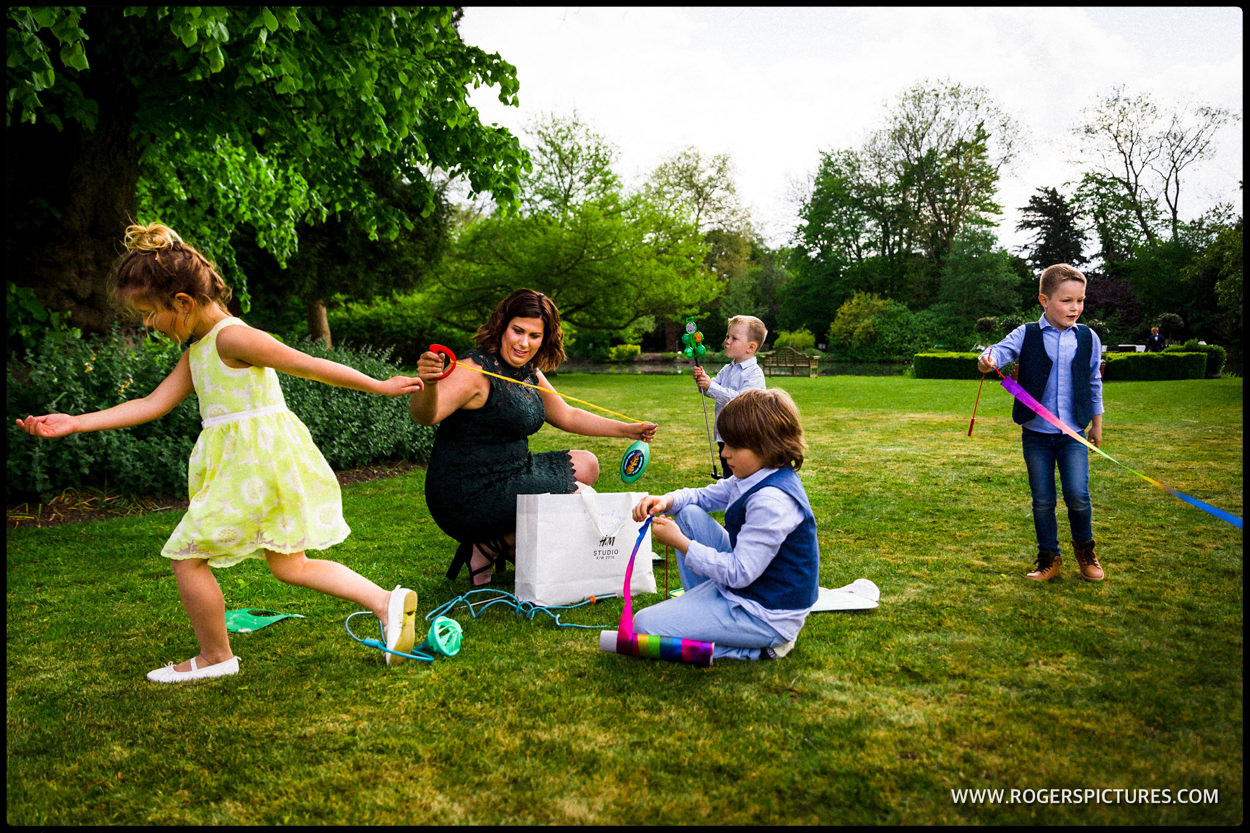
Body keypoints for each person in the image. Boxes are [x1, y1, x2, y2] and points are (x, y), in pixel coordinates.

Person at [15, 223, 424, 682]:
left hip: (256, 461)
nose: (149, 325)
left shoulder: (233, 338)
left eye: (151, 314)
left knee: (187, 557)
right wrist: (76, 422)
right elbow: (151, 404)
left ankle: (215, 657)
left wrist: (378, 384)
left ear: (183, 303)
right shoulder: (199, 352)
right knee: (290, 565)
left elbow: (308, 364)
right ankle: (383, 601)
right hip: (251, 464)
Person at [411, 289, 657, 586]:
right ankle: (492, 542)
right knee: (578, 496)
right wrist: (429, 383)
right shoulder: (474, 371)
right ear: (502, 325)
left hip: (510, 469)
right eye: (517, 331)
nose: (524, 343)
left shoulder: (528, 372)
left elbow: (566, 415)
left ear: (545, 338)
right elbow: (426, 416)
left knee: (588, 465)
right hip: (467, 490)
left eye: (534, 335)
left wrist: (628, 429)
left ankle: (495, 542)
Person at [630, 388, 818, 661]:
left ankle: (759, 649)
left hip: (766, 614)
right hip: (749, 588)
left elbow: (740, 573)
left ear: (765, 446)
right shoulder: (756, 473)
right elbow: (704, 496)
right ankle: (704, 612)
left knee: (643, 626)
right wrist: (667, 500)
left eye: (732, 445)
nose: (724, 453)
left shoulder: (771, 501)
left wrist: (679, 542)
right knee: (688, 511)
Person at [978, 263, 1106, 582]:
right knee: (1043, 499)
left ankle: (1085, 550)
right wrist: (987, 358)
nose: (1074, 307)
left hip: (1073, 433)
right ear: (1044, 300)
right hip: (1036, 435)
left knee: (1078, 495)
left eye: (1080, 300)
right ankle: (1049, 557)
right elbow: (998, 351)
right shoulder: (1027, 333)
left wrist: (1097, 425)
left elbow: (1094, 382)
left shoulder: (1089, 338)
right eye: (1066, 300)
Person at [692, 315, 767, 478]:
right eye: (727, 336)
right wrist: (703, 382)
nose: (727, 341)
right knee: (728, 474)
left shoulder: (754, 374)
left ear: (750, 347)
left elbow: (742, 401)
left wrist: (710, 385)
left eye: (734, 338)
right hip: (723, 434)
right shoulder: (727, 369)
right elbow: (709, 391)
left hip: (742, 436)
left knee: (742, 475)